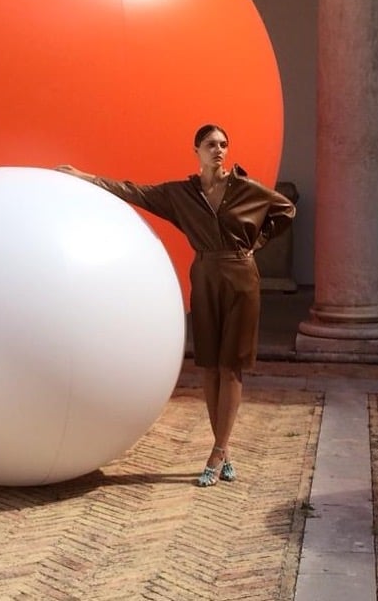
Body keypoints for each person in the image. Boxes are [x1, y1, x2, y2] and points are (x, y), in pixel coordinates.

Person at [58, 124, 295, 487]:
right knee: (209, 365)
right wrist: (85, 178)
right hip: (204, 275)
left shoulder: (247, 189)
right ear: (196, 150)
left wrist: (256, 242)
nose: (219, 150)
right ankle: (223, 448)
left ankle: (218, 450)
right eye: (211, 144)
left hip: (241, 278)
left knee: (231, 366)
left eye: (223, 144)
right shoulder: (181, 194)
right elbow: (133, 191)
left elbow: (286, 210)